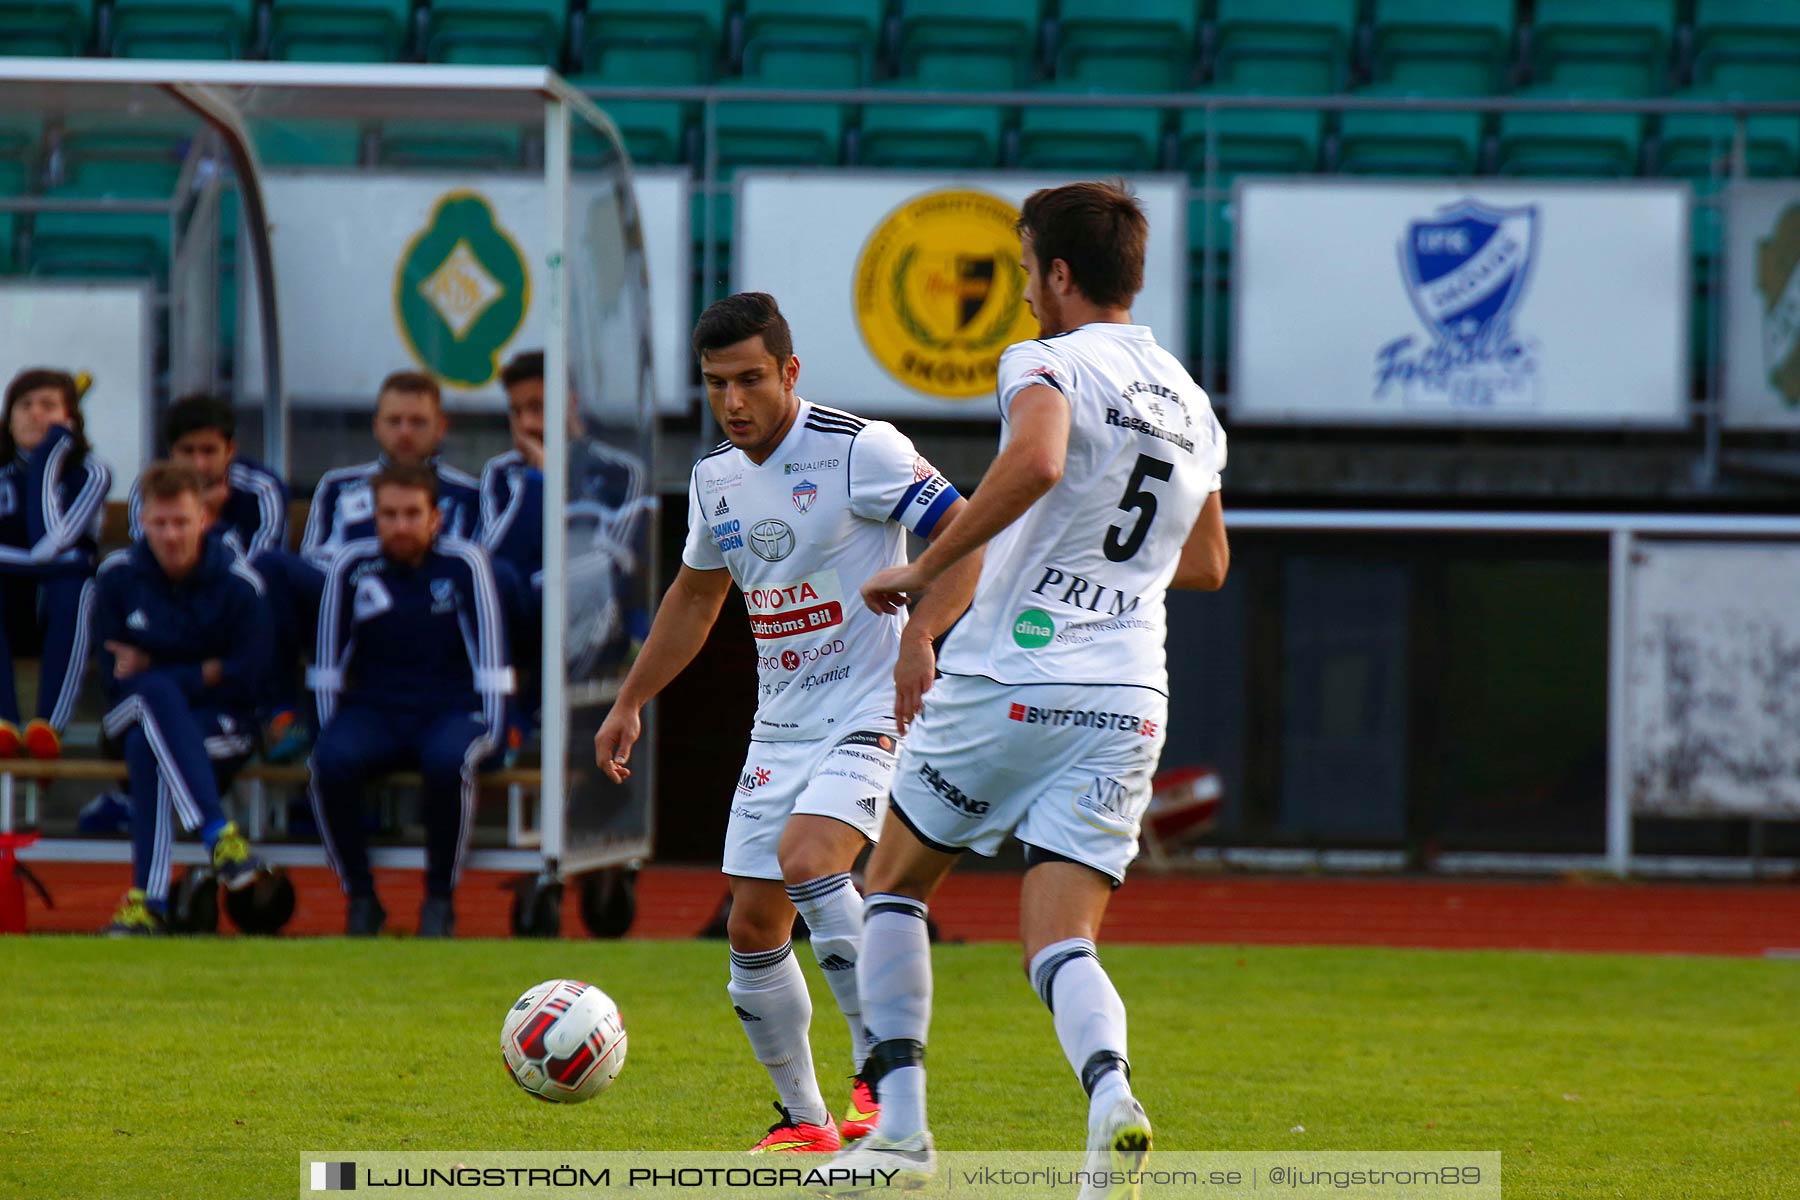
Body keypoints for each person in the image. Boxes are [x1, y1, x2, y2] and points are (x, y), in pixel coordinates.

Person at [834, 182, 1231, 1193]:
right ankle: (1112, 1096)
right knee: (1060, 941)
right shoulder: (1189, 401)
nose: (1020, 295)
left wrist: (926, 574)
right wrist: (1110, 563)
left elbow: (1041, 457)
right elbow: (1209, 561)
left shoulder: (1045, 359)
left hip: (1013, 676)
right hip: (1129, 694)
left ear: (1059, 275)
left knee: (892, 884)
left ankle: (903, 1140)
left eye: (1023, 273)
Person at [593, 294, 972, 1153]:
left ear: (789, 372)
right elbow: (696, 598)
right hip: (784, 726)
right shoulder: (713, 478)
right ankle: (807, 1122)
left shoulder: (859, 450)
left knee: (810, 861)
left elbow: (965, 537)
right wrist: (630, 700)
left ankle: (882, 1080)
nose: (734, 402)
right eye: (717, 384)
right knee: (752, 927)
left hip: (873, 704)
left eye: (752, 379)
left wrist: (921, 635)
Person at [307, 463, 512, 939]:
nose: (400, 525)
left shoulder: (465, 564)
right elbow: (326, 667)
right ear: (375, 518)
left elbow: (493, 664)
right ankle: (361, 897)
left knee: (447, 763)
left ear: (434, 518)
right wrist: (326, 730)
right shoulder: (351, 566)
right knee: (329, 760)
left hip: (450, 711)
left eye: (411, 514)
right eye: (389, 515)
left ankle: (439, 899)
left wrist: (495, 733)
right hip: (374, 711)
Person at [257, 370, 481, 760]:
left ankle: (500, 722)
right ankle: (282, 714)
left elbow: (477, 571)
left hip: (433, 610)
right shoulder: (339, 486)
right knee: (272, 568)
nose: (405, 432)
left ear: (441, 427)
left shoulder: (468, 494)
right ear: (377, 427)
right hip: (347, 604)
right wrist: (363, 579)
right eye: (395, 421)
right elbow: (314, 558)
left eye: (418, 422)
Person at [94, 462, 272, 936]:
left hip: (221, 727)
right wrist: (202, 670)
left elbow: (247, 677)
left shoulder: (240, 584)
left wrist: (159, 665)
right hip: (128, 713)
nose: (171, 535)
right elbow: (114, 680)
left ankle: (147, 903)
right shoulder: (117, 579)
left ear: (204, 521)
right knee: (151, 698)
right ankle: (218, 833)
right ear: (143, 523)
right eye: (160, 523)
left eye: (181, 522)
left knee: (148, 744)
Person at [0, 368, 112, 760]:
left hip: (57, 608)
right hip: (10, 608)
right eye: (24, 406)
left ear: (70, 420)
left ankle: (48, 727)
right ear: (8, 419)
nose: (34, 414)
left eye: (48, 406)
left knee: (76, 588)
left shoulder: (91, 473)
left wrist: (49, 456)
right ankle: (4, 726)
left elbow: (50, 543)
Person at [127, 393, 288, 559]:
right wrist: (204, 511)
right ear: (171, 451)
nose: (199, 464)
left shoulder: (262, 488)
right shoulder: (149, 488)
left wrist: (210, 523)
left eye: (209, 451)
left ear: (230, 450)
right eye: (187, 451)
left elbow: (261, 569)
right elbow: (151, 559)